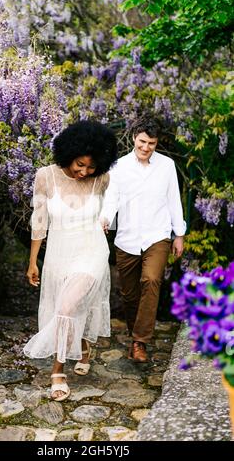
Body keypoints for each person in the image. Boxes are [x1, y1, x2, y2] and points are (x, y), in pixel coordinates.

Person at [23, 120, 118, 401]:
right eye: (79, 164)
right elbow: (39, 222)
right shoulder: (45, 177)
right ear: (68, 153)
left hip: (92, 249)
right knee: (70, 304)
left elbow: (107, 209)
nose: (84, 171)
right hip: (59, 251)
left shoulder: (101, 179)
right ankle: (84, 348)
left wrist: (104, 220)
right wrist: (32, 261)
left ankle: (58, 371)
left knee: (67, 306)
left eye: (90, 166)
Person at [101, 114, 185, 362]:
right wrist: (105, 218)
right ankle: (135, 332)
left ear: (156, 143)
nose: (146, 148)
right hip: (127, 238)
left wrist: (178, 234)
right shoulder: (118, 167)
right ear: (134, 138)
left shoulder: (167, 166)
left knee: (151, 280)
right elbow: (112, 199)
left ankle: (140, 343)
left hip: (157, 236)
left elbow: (173, 200)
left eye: (151, 144)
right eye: (142, 142)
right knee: (129, 294)